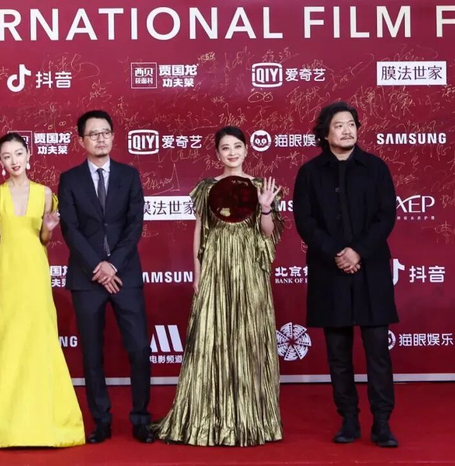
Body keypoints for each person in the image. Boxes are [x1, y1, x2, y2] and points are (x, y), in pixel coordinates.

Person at [153, 126, 284, 446]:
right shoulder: (207, 188)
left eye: (237, 146)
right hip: (214, 268)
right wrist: (198, 271)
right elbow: (200, 230)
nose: (232, 152)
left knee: (249, 340)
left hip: (249, 272)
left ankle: (251, 420)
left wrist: (266, 206)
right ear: (217, 154)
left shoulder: (260, 187)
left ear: (247, 150)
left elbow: (268, 233)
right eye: (225, 148)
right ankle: (207, 419)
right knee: (210, 339)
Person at [0, 133, 85, 448]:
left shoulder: (44, 193)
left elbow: (43, 240)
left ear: (29, 156)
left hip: (35, 272)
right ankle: (0, 412)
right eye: (7, 156)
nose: (14, 160)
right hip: (6, 272)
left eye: (18, 153)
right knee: (6, 337)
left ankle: (38, 415)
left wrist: (48, 229)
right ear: (0, 161)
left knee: (37, 336)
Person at [293, 101, 399, 448]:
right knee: (338, 353)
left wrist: (358, 251)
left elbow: (386, 216)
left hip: (371, 270)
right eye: (339, 125)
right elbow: (305, 221)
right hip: (330, 270)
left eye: (351, 124)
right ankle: (349, 419)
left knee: (378, 352)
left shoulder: (376, 168)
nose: (347, 130)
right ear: (325, 133)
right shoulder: (310, 173)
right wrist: (338, 253)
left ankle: (381, 423)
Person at [58, 110, 154, 444]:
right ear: (81, 140)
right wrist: (97, 267)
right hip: (87, 278)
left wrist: (112, 265)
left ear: (113, 136)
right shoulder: (70, 179)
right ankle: (101, 420)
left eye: (105, 132)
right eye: (93, 134)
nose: (100, 138)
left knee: (139, 348)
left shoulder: (130, 175)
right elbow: (70, 229)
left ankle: (141, 418)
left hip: (125, 274)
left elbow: (134, 225)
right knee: (91, 354)